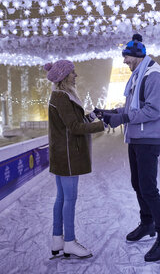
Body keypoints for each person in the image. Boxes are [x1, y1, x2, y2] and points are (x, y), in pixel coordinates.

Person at [94, 35, 160, 262]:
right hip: (136, 139)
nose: (124, 62)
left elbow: (153, 111)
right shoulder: (138, 76)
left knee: (149, 188)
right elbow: (131, 107)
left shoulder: (154, 76)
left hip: (149, 140)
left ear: (137, 56)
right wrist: (110, 113)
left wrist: (123, 118)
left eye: (127, 57)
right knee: (137, 184)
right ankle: (147, 222)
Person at [44, 60, 105, 259]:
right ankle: (69, 241)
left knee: (61, 198)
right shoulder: (62, 97)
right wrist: (102, 125)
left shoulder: (62, 96)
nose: (75, 76)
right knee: (69, 199)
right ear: (63, 77)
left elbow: (74, 123)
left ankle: (57, 239)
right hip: (68, 155)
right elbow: (75, 128)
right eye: (72, 73)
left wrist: (92, 116)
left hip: (63, 154)